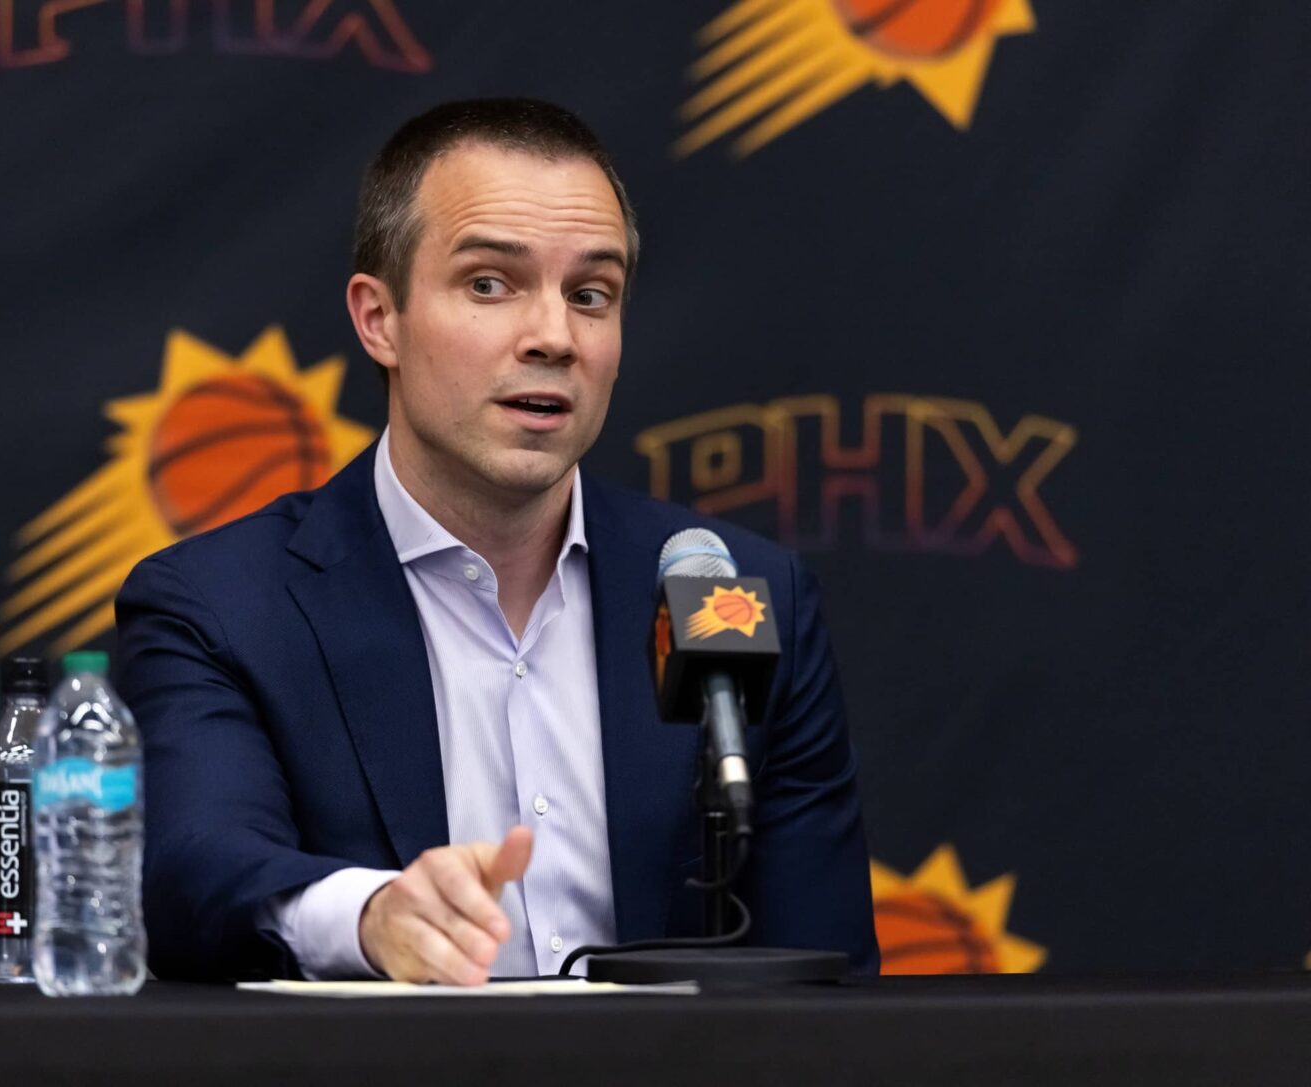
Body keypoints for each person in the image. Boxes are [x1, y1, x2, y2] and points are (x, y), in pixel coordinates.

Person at [115, 98, 878, 984]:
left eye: (591, 295)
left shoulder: (737, 593)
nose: (553, 336)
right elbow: (191, 873)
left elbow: (828, 982)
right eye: (490, 284)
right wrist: (369, 915)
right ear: (380, 320)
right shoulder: (222, 605)